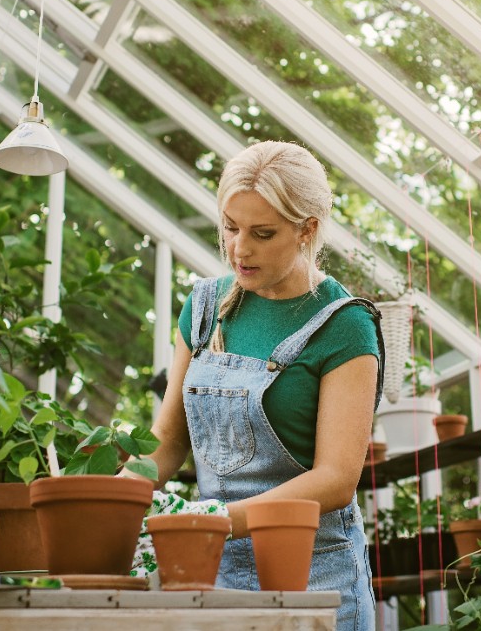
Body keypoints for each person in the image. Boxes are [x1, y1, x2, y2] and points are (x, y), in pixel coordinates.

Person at [144, 140, 382, 631]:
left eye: (262, 232)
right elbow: (168, 442)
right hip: (212, 572)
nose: (239, 248)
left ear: (306, 231)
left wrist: (210, 523)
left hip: (315, 578)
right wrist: (116, 496)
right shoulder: (206, 308)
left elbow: (336, 479)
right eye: (230, 227)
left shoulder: (344, 325)